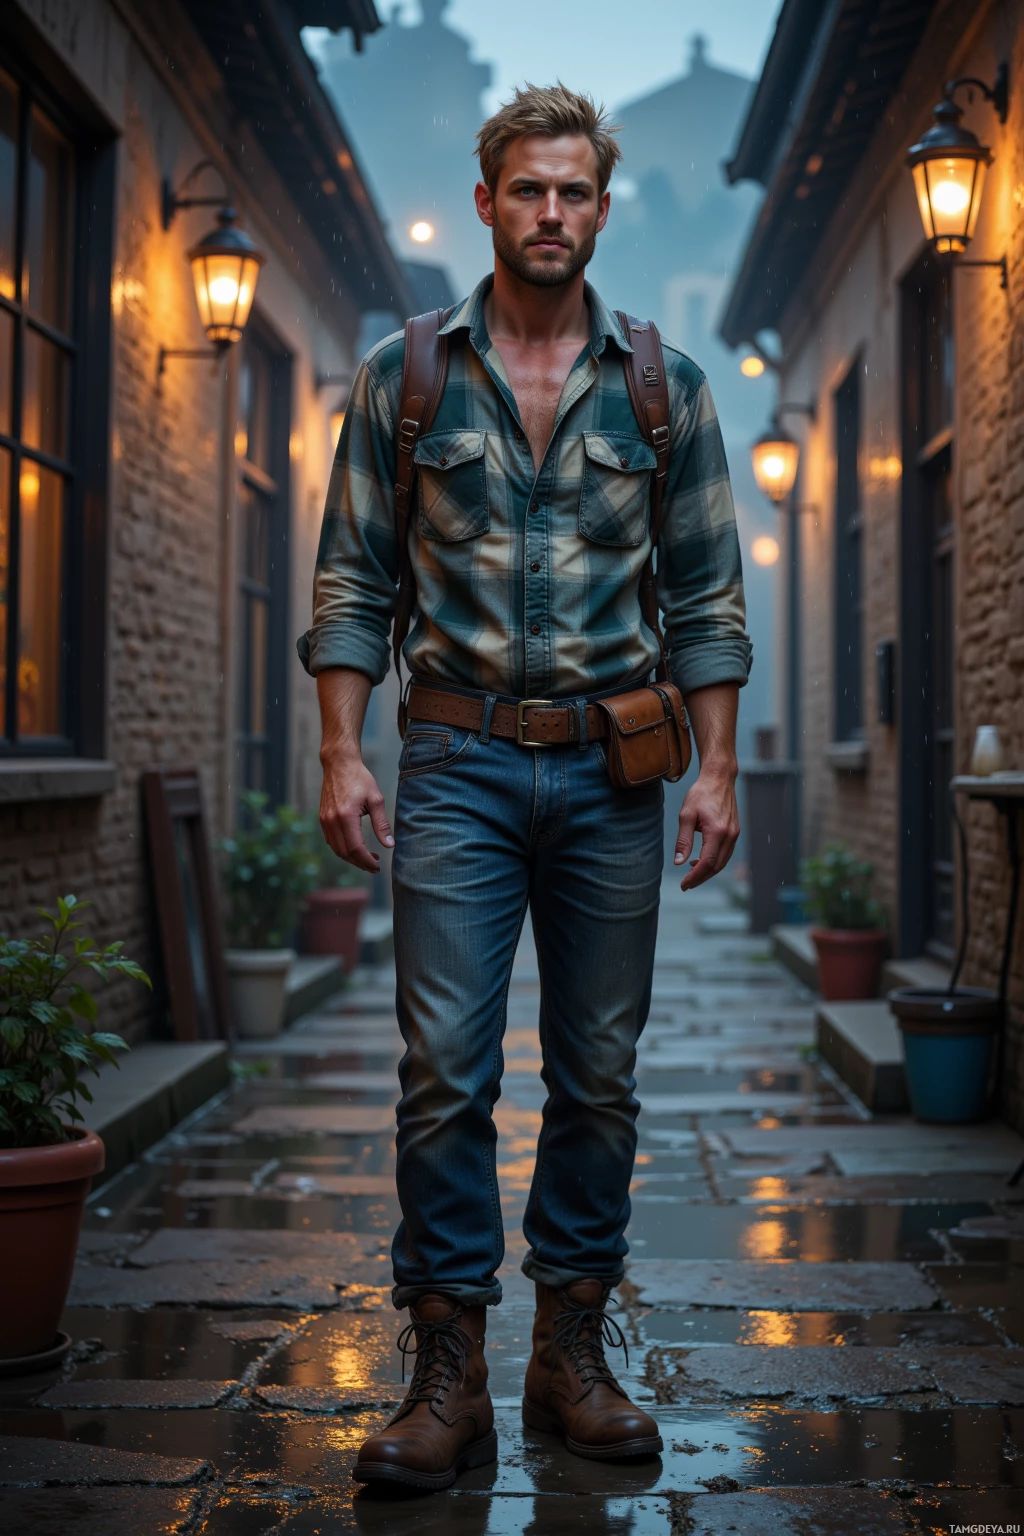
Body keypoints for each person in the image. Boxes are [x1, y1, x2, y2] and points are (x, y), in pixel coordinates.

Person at [298, 83, 751, 1492]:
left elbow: (709, 597)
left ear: (601, 210)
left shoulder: (664, 386)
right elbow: (354, 577)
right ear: (489, 200)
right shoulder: (405, 374)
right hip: (455, 765)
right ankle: (446, 1368)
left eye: (575, 192)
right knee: (443, 1075)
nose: (551, 213)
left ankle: (570, 1350)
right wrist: (338, 748)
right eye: (528, 190)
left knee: (599, 1078)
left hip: (616, 772)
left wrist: (717, 771)